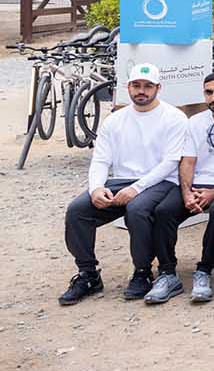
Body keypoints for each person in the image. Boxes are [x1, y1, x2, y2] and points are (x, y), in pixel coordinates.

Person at [58, 64, 191, 306]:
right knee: (78, 211)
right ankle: (88, 274)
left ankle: (142, 272)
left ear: (158, 88)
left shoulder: (174, 117)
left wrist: (136, 189)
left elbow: (171, 162)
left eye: (148, 86)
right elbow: (101, 159)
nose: (142, 91)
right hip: (122, 181)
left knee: (137, 209)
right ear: (127, 87)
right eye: (136, 85)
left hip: (161, 181)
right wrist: (96, 188)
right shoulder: (115, 120)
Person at [148, 72, 214, 305]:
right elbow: (188, 160)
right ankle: (167, 274)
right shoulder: (195, 122)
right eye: (209, 92)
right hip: (197, 185)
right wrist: (187, 192)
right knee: (164, 211)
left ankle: (204, 271)